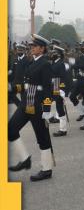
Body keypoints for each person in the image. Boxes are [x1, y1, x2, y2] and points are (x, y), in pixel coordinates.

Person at [8, 34, 55, 182]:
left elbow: (49, 89)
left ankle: (47, 169)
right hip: (26, 103)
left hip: (38, 106)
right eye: (31, 46)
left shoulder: (45, 64)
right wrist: (11, 89)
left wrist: (47, 110)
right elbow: (26, 84)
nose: (31, 48)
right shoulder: (31, 62)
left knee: (42, 138)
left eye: (34, 46)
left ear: (42, 49)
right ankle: (25, 159)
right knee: (10, 129)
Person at [50, 44, 69, 137]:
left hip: (58, 86)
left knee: (60, 108)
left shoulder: (60, 64)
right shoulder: (54, 62)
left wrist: (62, 90)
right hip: (54, 85)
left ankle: (63, 129)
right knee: (50, 104)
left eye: (54, 52)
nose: (52, 54)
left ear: (58, 54)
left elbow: (63, 78)